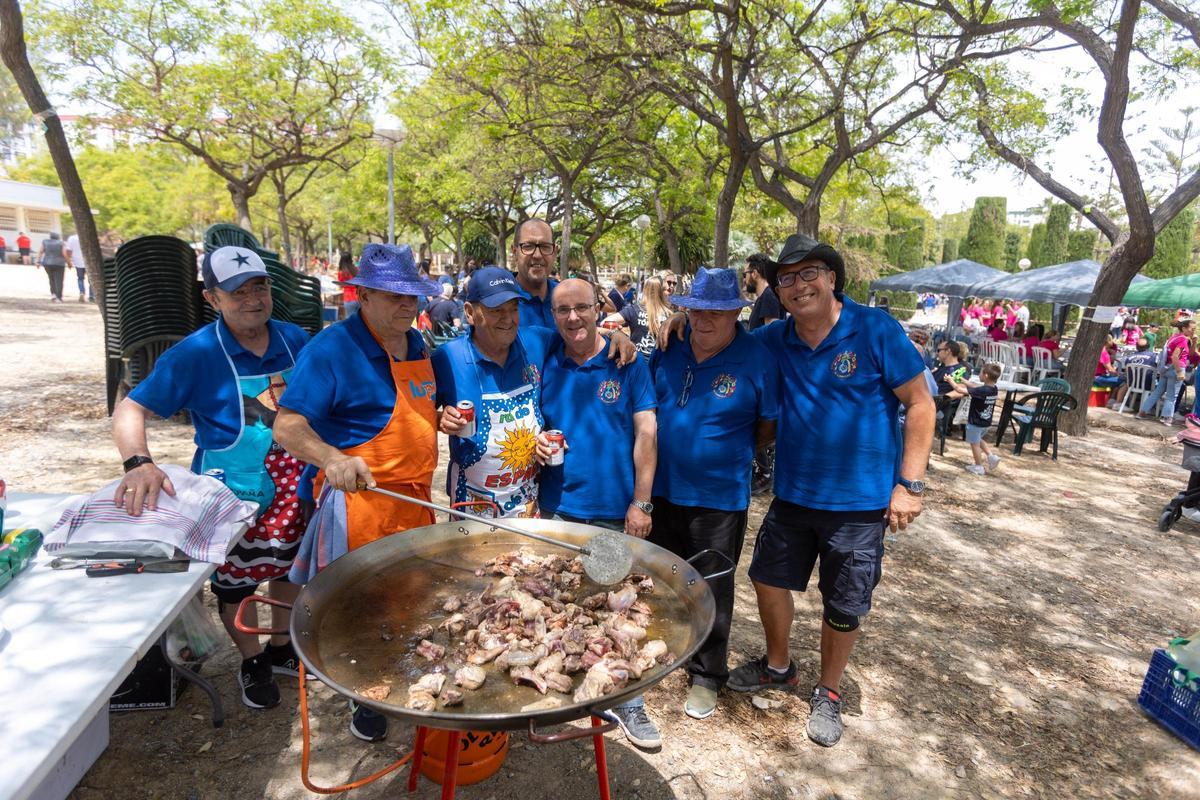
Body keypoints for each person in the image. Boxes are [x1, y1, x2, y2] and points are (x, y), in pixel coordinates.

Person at [714, 234, 934, 749]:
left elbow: (921, 403)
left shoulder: (874, 328)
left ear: (832, 278)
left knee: (844, 602)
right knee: (767, 580)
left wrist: (910, 484)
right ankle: (779, 665)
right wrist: (678, 325)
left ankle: (829, 692)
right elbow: (721, 338)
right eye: (785, 278)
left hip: (860, 504)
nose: (797, 285)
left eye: (808, 273)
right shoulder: (774, 338)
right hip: (792, 496)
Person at [111, 246, 311, 711]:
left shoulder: (295, 341)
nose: (251, 299)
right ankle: (253, 660)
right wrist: (138, 462)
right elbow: (131, 408)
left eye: (258, 287)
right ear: (212, 297)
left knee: (288, 568)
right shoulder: (196, 353)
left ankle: (282, 647)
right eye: (236, 292)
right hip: (230, 495)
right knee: (235, 584)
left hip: (296, 486)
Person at [274, 243, 443, 743]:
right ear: (363, 294)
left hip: (414, 503)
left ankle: (401, 671)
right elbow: (287, 425)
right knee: (361, 606)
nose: (406, 305)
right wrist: (331, 457)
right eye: (393, 295)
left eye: (412, 295)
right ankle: (363, 695)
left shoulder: (416, 346)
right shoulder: (332, 349)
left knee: (412, 597)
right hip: (360, 505)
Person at [534, 278, 660, 749]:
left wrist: (641, 501)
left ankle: (628, 702)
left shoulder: (627, 361)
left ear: (598, 308)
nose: (573, 318)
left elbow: (646, 433)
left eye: (582, 308)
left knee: (615, 608)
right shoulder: (546, 359)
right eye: (562, 310)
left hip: (612, 511)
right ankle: (570, 694)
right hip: (558, 509)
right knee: (560, 607)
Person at [648, 267, 778, 721]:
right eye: (696, 309)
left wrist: (726, 451)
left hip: (719, 497)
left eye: (716, 311)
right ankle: (660, 651)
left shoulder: (757, 357)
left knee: (713, 588)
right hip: (662, 490)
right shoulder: (668, 347)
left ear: (735, 313)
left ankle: (707, 673)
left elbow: (767, 426)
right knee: (660, 576)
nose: (704, 319)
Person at [946, 362, 1002, 475]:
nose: (979, 375)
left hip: (975, 422)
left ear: (985, 375)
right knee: (978, 440)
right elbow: (974, 386)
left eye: (980, 373)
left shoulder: (982, 391)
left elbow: (959, 390)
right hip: (985, 422)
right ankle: (991, 457)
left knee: (974, 444)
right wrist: (963, 380)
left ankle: (978, 466)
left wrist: (950, 380)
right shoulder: (993, 389)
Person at [1139, 318, 1195, 426]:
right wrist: (1179, 372)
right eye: (1192, 329)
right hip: (1176, 368)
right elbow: (1175, 357)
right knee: (1172, 396)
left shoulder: (1173, 337)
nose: (1193, 331)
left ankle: (1142, 412)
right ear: (1184, 328)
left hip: (1166, 368)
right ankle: (1167, 418)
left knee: (1157, 392)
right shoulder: (1183, 339)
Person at [511, 218, 559, 329]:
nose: (537, 255)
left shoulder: (567, 298)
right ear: (515, 252)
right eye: (528, 246)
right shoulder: (499, 302)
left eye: (545, 247)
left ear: (555, 252)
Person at [613, 275, 672, 356]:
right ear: (662, 292)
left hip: (637, 361)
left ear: (645, 290)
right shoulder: (669, 315)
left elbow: (605, 322)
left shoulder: (634, 310)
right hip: (659, 363)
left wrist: (616, 334)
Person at [744, 253, 782, 331]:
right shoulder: (764, 296)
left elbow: (772, 334)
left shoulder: (769, 295)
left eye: (745, 275)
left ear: (754, 274)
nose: (744, 280)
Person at [37, 231, 67, 302]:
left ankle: (53, 294)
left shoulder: (45, 242)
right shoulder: (61, 243)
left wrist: (38, 261)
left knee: (51, 278)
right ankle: (58, 297)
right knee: (59, 280)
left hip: (47, 263)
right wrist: (69, 262)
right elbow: (64, 253)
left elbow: (41, 251)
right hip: (59, 263)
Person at [63, 231, 93, 302]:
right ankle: (92, 296)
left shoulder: (72, 238)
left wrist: (69, 261)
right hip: (89, 261)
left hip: (77, 261)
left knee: (80, 278)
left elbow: (68, 250)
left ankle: (82, 292)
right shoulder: (88, 237)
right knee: (91, 279)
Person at [336, 251, 359, 319]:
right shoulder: (356, 269)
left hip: (348, 298)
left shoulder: (341, 272)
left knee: (349, 321)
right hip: (358, 297)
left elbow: (341, 285)